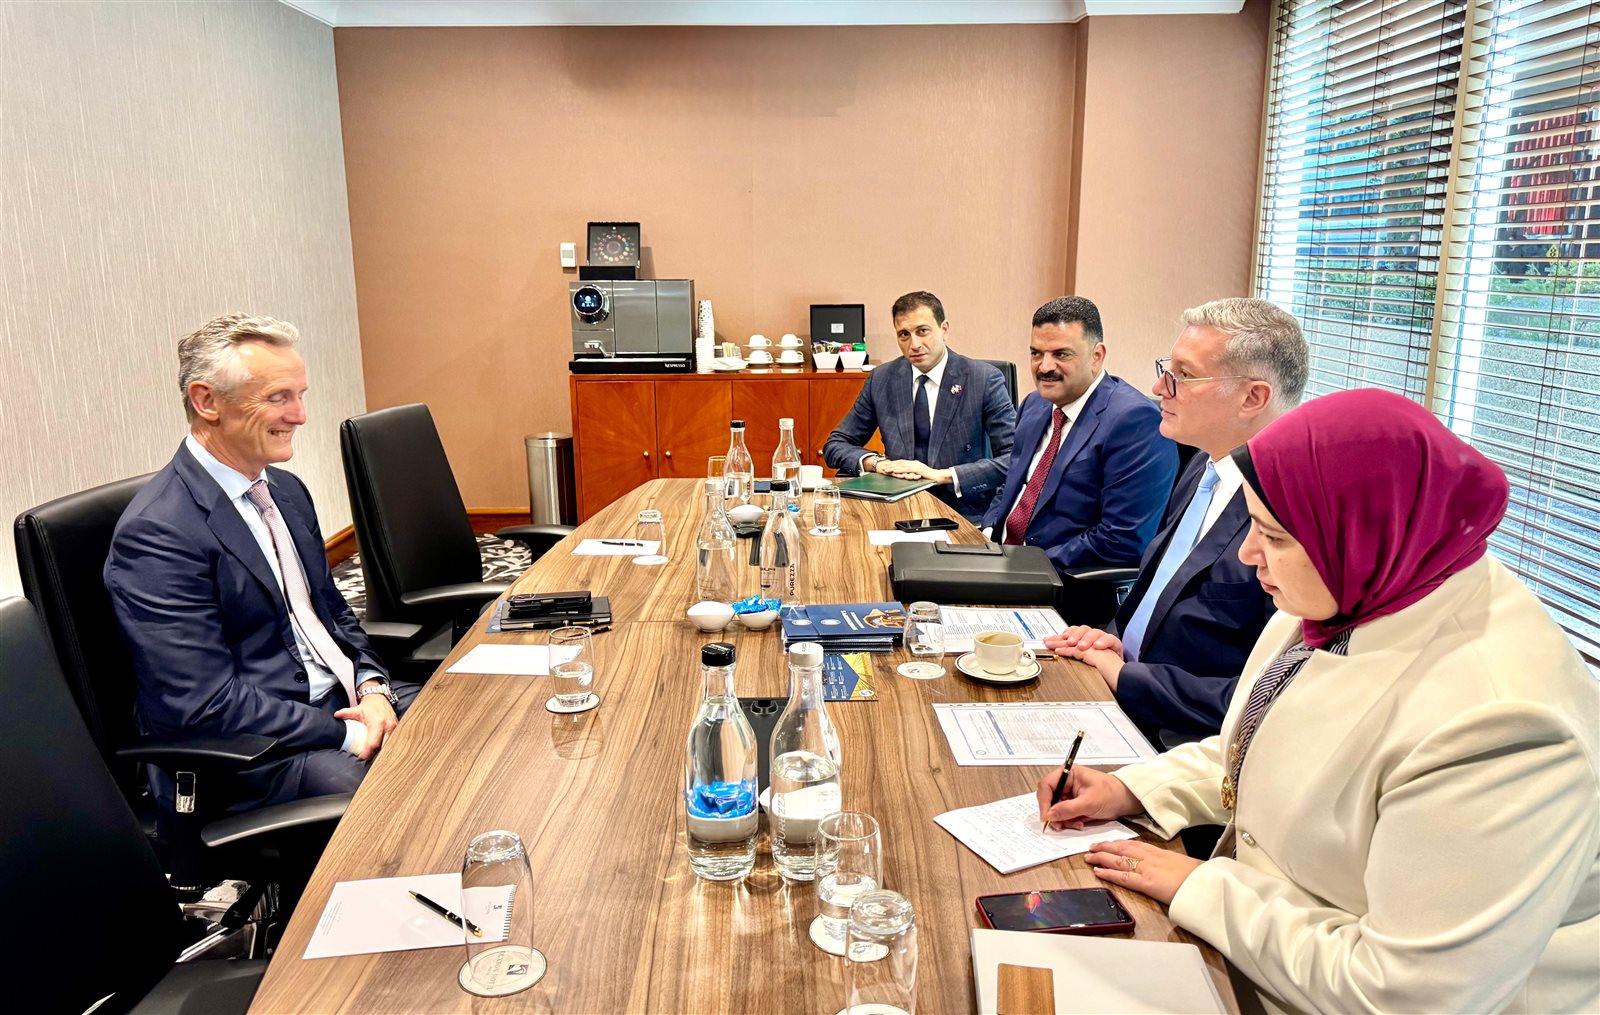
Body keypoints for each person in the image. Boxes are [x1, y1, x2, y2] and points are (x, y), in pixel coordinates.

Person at [1037, 389, 1600, 1014]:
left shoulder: (1503, 724)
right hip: (1274, 947)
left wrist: (1205, 888)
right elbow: (1257, 746)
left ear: (1363, 531)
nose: (1248, 554)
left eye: (1272, 535)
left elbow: (1406, 995)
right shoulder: (1356, 583)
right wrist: (1135, 789)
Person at [106, 314, 420, 813]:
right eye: (278, 397)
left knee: (466, 719)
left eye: (300, 395)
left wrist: (373, 686)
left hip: (339, 701)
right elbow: (206, 703)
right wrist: (342, 732)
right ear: (207, 402)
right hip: (252, 753)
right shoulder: (158, 534)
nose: (300, 416)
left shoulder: (285, 491)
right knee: (404, 798)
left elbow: (332, 612)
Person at [1047, 298, 1308, 745]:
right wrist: (1113, 641)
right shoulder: (1204, 465)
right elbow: (1163, 595)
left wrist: (1128, 677)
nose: (1158, 387)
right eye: (1167, 369)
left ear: (1253, 397)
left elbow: (1270, 698)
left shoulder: (1296, 511)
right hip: (1121, 693)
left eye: (1183, 375)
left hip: (1182, 742)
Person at [981, 296, 1176, 569]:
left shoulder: (1134, 421)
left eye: (1061, 354)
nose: (1044, 367)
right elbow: (1012, 483)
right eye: (1036, 353)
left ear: (1097, 356)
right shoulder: (1034, 404)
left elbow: (1122, 539)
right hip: (998, 559)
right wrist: (988, 531)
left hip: (1060, 579)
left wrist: (1023, 564)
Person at [823, 291, 1016, 523]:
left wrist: (942, 476)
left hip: (963, 512)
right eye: (904, 334)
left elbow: (1014, 458)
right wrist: (877, 464)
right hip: (897, 508)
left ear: (944, 329)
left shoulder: (983, 379)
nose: (914, 345)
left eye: (922, 331)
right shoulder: (882, 379)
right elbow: (836, 444)